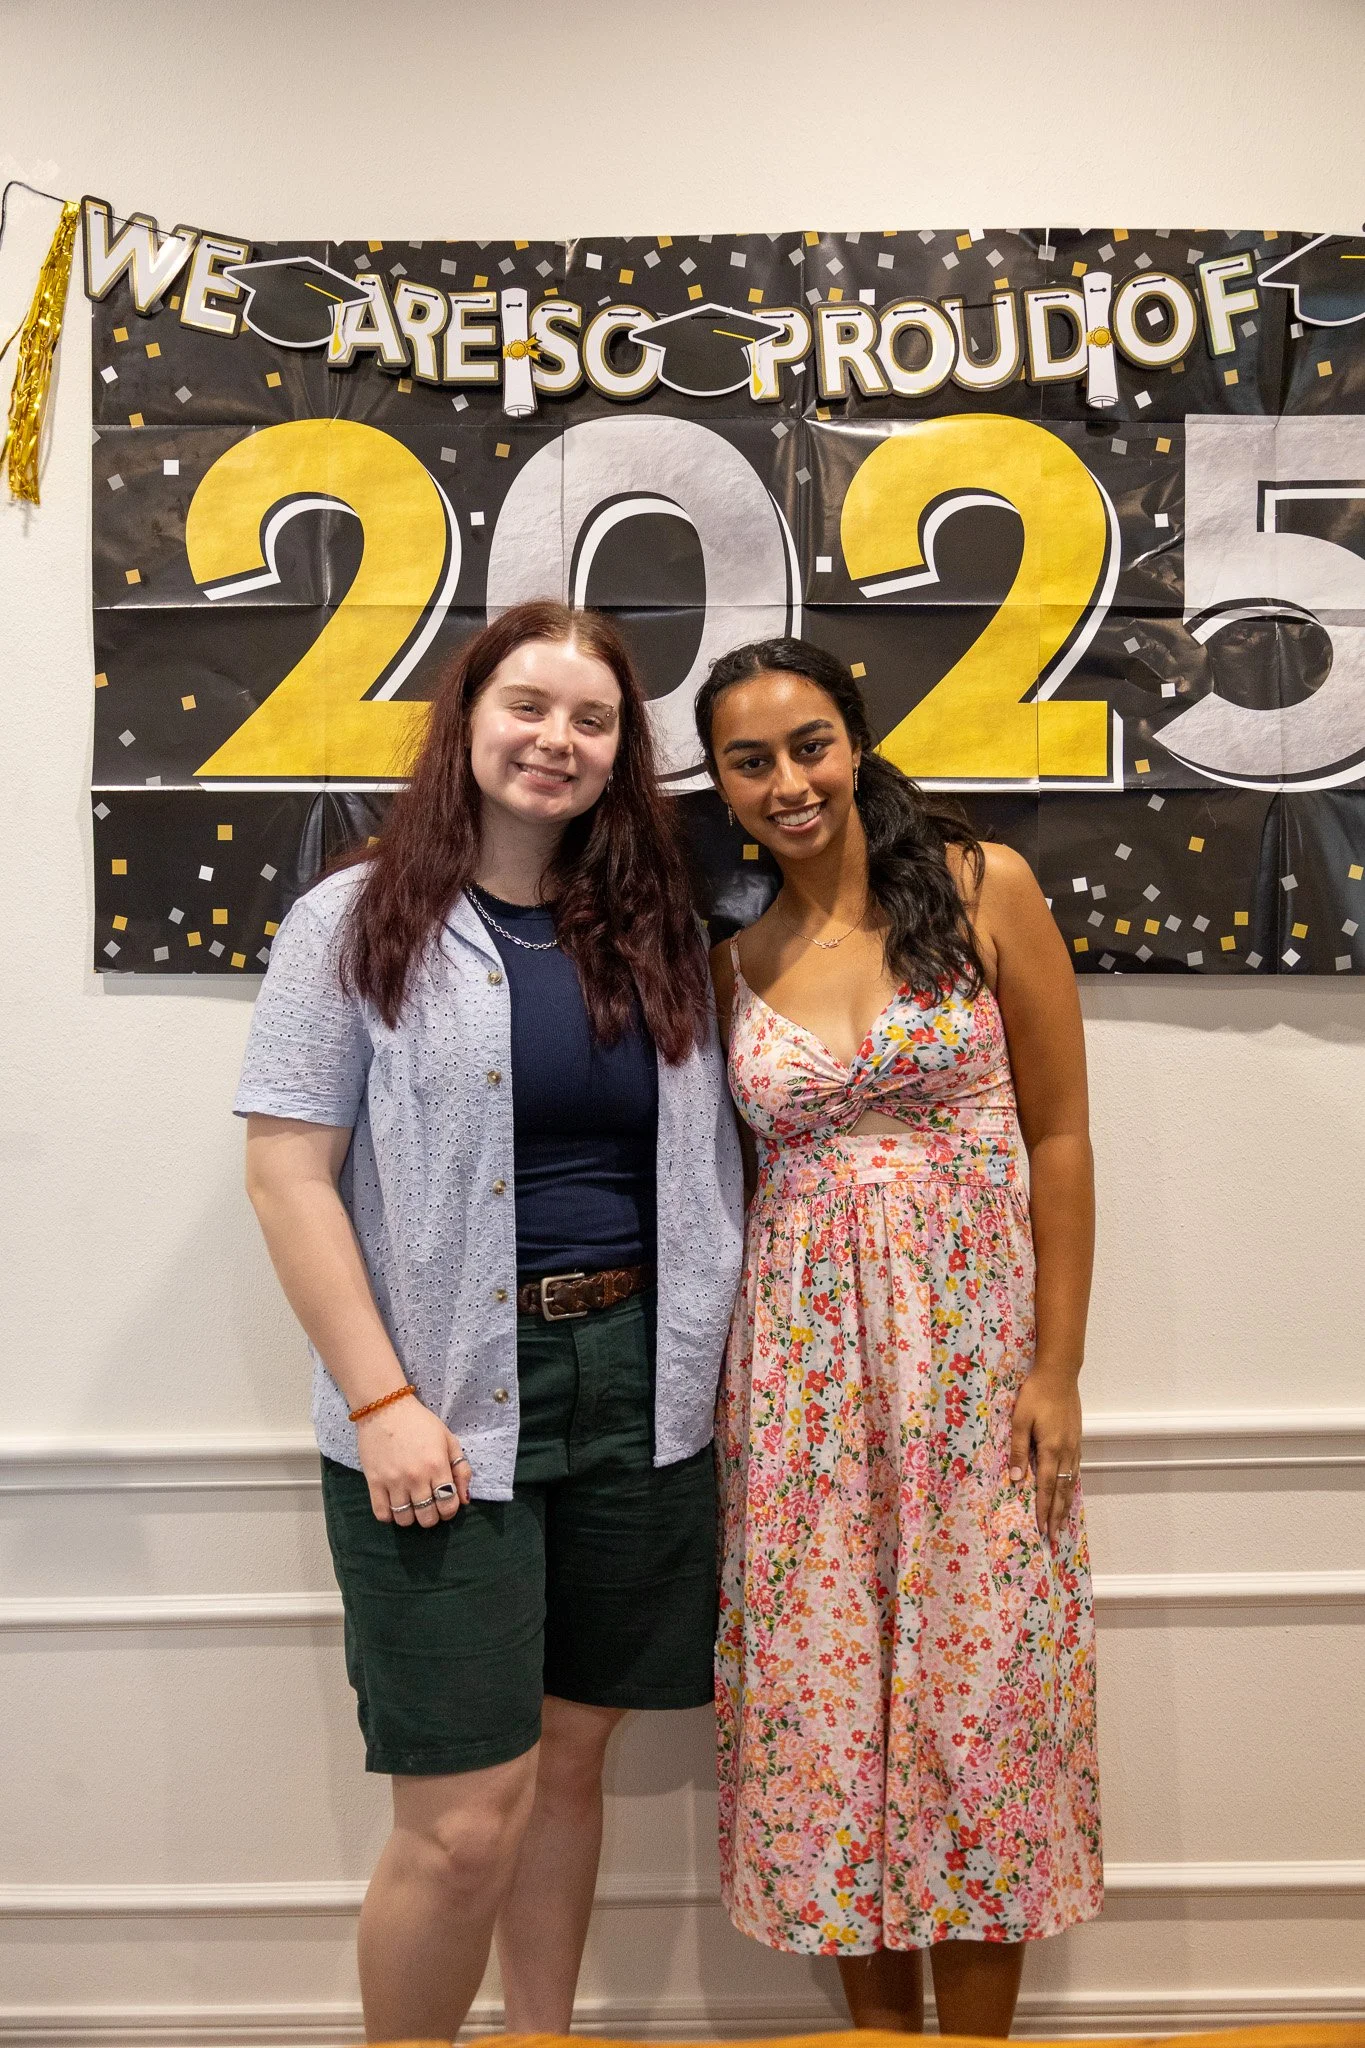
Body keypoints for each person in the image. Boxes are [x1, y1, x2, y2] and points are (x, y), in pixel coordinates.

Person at [234, 600, 743, 2045]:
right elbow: (286, 1173)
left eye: (593, 721)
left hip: (643, 1388)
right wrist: (383, 1401)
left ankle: (544, 2038)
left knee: (569, 1766)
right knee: (462, 1819)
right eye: (529, 706)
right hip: (447, 1390)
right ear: (466, 720)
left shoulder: (661, 932)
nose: (558, 741)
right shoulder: (354, 918)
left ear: (619, 756)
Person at [695, 638, 1101, 2037]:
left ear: (855, 742)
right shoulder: (734, 963)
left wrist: (1058, 1365)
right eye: (750, 761)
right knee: (826, 1716)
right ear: (725, 791)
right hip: (802, 1391)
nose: (788, 780)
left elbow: (1058, 1132)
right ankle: (879, 2034)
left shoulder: (989, 892)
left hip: (977, 1370)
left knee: (979, 1706)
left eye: (809, 743)